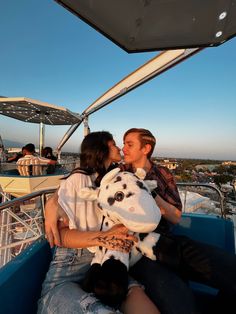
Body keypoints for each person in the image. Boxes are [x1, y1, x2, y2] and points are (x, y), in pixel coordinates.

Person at [38, 131, 160, 314]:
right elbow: (61, 236)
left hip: (107, 259)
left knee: (139, 300)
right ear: (100, 149)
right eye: (113, 144)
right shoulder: (79, 179)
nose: (119, 148)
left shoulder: (113, 178)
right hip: (72, 267)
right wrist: (104, 237)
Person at [122, 128, 236, 314]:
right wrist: (54, 204)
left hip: (169, 243)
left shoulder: (163, 174)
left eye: (129, 144)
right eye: (123, 143)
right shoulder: (118, 173)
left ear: (146, 148)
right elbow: (80, 183)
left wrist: (150, 193)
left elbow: (175, 217)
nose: (123, 148)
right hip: (140, 250)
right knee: (180, 302)